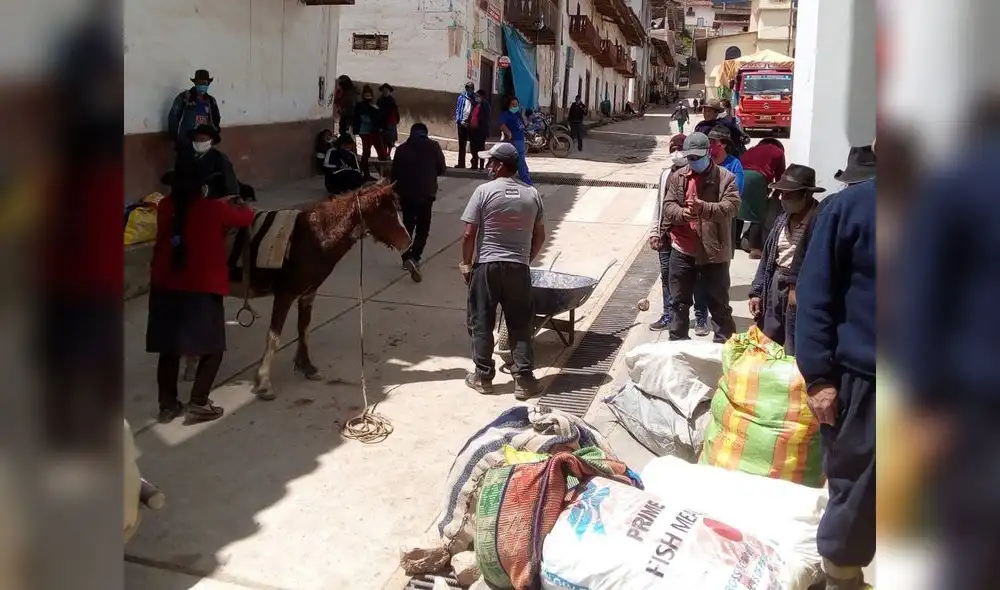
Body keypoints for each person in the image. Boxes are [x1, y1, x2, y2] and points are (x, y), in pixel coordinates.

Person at [794, 173, 875, 590]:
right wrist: (819, 378)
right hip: (864, 383)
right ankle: (843, 579)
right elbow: (815, 294)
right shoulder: (852, 208)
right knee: (856, 492)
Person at [147, 162, 254, 424]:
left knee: (169, 349)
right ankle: (198, 402)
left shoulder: (165, 208)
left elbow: (188, 214)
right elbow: (245, 218)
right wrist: (238, 206)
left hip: (164, 287)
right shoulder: (214, 209)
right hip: (200, 289)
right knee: (212, 348)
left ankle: (168, 406)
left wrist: (219, 203)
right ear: (202, 187)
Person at [460, 143, 545, 400]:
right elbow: (540, 236)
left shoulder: (483, 192)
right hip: (518, 268)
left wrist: (466, 265)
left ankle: (483, 377)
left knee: (481, 321)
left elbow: (468, 234)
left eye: (490, 162)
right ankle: (524, 380)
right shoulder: (532, 194)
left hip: (487, 267)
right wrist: (523, 260)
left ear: (499, 165)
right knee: (520, 324)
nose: (488, 166)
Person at [658, 132, 740, 343]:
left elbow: (731, 207)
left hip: (714, 253)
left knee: (719, 304)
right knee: (678, 303)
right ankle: (678, 345)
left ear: (708, 153)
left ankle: (724, 348)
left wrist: (704, 208)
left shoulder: (725, 177)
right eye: (690, 158)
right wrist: (683, 214)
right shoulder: (679, 177)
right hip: (683, 250)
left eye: (697, 157)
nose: (693, 162)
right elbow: (668, 206)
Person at [747, 165, 825, 354]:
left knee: (795, 344)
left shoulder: (820, 221)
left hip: (800, 289)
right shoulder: (782, 219)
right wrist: (756, 291)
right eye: (781, 194)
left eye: (789, 195)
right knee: (768, 342)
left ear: (806, 195)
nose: (783, 200)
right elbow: (767, 259)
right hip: (776, 282)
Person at [391, 122, 446, 282]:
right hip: (425, 194)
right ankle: (414, 257)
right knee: (423, 229)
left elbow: (394, 174)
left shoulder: (401, 149)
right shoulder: (434, 146)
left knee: (407, 226)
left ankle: (406, 257)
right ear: (425, 133)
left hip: (406, 195)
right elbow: (442, 169)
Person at [648, 134, 687, 331]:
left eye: (679, 148)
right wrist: (654, 231)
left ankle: (691, 316)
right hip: (664, 236)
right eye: (673, 149)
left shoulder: (692, 175)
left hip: (685, 237)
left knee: (683, 277)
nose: (676, 153)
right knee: (666, 275)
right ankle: (668, 314)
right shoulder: (665, 174)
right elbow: (658, 205)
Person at [739, 138, 787, 258]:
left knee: (736, 210)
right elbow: (781, 176)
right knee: (757, 215)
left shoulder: (752, 150)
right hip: (757, 177)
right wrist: (776, 193)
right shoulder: (778, 152)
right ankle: (755, 249)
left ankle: (735, 241)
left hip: (738, 175)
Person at [706, 125, 745, 258]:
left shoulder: (734, 165)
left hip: (725, 219)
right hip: (704, 216)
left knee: (722, 260)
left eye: (713, 142)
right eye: (708, 141)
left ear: (723, 145)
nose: (709, 145)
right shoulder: (704, 162)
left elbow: (736, 192)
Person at [168, 69, 222, 158]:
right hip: (186, 143)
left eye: (205, 83)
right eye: (200, 83)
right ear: (195, 83)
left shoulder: (211, 101)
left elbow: (216, 120)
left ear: (208, 84)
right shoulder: (184, 98)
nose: (202, 85)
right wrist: (178, 138)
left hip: (205, 144)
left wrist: (212, 137)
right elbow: (173, 117)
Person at [176, 124, 240, 199]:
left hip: (214, 200)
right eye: (196, 139)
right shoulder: (185, 156)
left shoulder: (220, 158)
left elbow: (230, 185)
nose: (198, 142)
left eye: (202, 139)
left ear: (211, 142)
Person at [353, 85, 388, 181]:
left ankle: (385, 173)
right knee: (366, 153)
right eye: (366, 95)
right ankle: (365, 174)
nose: (368, 97)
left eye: (369, 95)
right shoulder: (361, 106)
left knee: (381, 152)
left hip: (374, 132)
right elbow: (361, 118)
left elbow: (380, 118)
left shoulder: (374, 106)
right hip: (365, 132)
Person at [498, 96, 533, 186]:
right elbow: (501, 125)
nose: (515, 106)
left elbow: (526, 124)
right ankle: (527, 182)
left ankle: (524, 179)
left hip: (521, 140)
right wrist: (509, 133)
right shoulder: (506, 114)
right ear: (509, 105)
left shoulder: (518, 114)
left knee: (521, 160)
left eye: (516, 104)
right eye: (513, 104)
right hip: (513, 141)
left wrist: (523, 115)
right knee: (520, 162)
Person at [469, 89, 492, 171]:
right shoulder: (474, 104)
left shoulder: (485, 105)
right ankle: (474, 164)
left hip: (481, 131)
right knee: (473, 148)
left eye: (478, 96)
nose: (477, 97)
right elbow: (471, 115)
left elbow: (486, 118)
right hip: (473, 130)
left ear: (482, 97)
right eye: (476, 96)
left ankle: (481, 165)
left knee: (480, 148)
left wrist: (478, 120)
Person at [455, 82, 477, 168]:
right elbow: (458, 108)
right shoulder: (461, 97)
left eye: (471, 88)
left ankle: (474, 164)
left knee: (473, 144)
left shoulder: (475, 98)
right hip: (461, 123)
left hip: (471, 124)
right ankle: (461, 163)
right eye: (468, 88)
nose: (469, 90)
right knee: (461, 145)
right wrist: (458, 119)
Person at [377, 83, 400, 158]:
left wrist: (395, 120)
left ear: (389, 91)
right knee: (383, 140)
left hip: (390, 122)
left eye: (386, 90)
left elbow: (396, 112)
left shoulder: (392, 101)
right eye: (384, 90)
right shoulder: (380, 100)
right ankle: (384, 154)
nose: (385, 92)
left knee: (390, 140)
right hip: (381, 122)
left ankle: (388, 154)